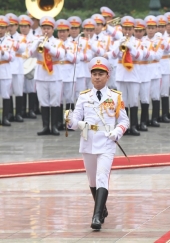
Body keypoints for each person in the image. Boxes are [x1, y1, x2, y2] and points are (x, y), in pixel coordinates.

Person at [65, 57, 129, 230]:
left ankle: (96, 216)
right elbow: (74, 122)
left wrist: (117, 132)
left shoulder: (115, 97)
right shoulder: (84, 96)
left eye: (101, 74)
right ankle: (102, 208)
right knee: (92, 180)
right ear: (90, 76)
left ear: (107, 76)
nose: (97, 77)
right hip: (88, 140)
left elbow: (124, 121)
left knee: (102, 176)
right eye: (94, 74)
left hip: (107, 141)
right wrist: (71, 120)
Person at [30, 16, 65, 135]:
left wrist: (49, 47)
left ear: (52, 29)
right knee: (43, 101)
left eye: (48, 28)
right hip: (41, 75)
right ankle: (45, 127)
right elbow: (30, 54)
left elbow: (60, 55)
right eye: (44, 28)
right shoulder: (37, 40)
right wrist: (37, 44)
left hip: (55, 75)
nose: (46, 31)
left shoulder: (58, 42)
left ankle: (54, 126)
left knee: (55, 101)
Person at [0, 15, 14, 126]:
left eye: (2, 28)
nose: (0, 30)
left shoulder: (10, 41)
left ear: (6, 29)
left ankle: (5, 118)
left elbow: (11, 57)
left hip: (5, 71)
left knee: (6, 95)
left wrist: (3, 53)